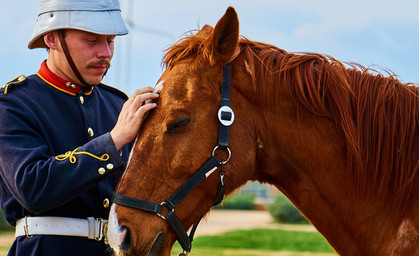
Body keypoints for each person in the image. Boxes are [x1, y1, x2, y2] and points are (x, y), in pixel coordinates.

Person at [0, 0, 159, 255]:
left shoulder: (118, 104)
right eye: (92, 40)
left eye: (110, 41)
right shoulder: (13, 103)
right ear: (52, 39)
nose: (106, 52)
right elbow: (33, 189)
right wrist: (114, 140)